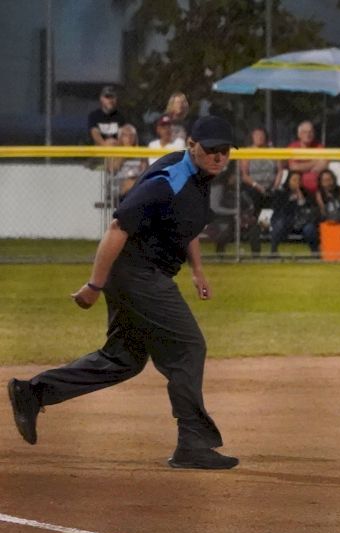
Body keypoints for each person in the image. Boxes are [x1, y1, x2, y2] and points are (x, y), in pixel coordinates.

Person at [7, 116, 240, 469]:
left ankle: (33, 392)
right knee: (188, 346)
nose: (219, 157)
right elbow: (118, 227)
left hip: (146, 274)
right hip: (137, 275)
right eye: (212, 150)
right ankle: (192, 443)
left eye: (225, 151)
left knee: (124, 360)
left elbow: (187, 224)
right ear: (191, 144)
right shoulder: (168, 180)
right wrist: (94, 285)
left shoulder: (199, 177)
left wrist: (197, 270)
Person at [269, 171, 319, 254]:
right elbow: (278, 208)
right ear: (288, 180)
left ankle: (315, 252)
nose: (297, 182)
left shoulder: (306, 193)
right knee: (279, 224)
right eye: (294, 180)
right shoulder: (281, 193)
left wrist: (299, 194)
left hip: (301, 222)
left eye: (299, 180)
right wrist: (290, 200)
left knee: (309, 228)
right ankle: (273, 251)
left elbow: (307, 208)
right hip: (285, 220)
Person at [239, 127, 281, 217]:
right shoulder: (247, 152)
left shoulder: (273, 151)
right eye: (257, 135)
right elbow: (244, 175)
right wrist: (257, 186)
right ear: (252, 137)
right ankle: (254, 223)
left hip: (271, 187)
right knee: (257, 198)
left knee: (273, 199)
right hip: (253, 187)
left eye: (262, 135)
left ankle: (264, 227)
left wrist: (275, 186)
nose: (260, 137)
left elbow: (279, 171)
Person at [287, 120, 328, 195]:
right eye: (305, 132)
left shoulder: (319, 146)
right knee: (294, 178)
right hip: (299, 186)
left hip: (318, 185)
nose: (308, 135)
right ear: (299, 134)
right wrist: (315, 162)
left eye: (310, 132)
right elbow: (294, 167)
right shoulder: (292, 147)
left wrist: (304, 167)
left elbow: (324, 163)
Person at [110, 124, 148, 202]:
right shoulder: (115, 152)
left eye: (132, 135)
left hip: (137, 182)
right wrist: (125, 154)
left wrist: (143, 165)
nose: (129, 138)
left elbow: (145, 172)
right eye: (125, 135)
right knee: (130, 184)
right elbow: (112, 169)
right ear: (120, 138)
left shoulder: (141, 153)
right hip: (120, 184)